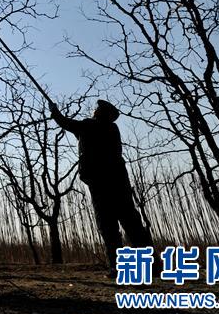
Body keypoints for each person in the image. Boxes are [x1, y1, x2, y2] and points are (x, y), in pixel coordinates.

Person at [49, 99, 154, 274]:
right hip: (119, 183)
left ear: (101, 113)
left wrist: (55, 112)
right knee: (132, 223)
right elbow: (78, 130)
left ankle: (118, 267)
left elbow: (67, 123)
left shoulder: (90, 126)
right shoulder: (111, 129)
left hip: (100, 184)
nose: (94, 111)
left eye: (97, 109)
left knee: (108, 227)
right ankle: (150, 265)